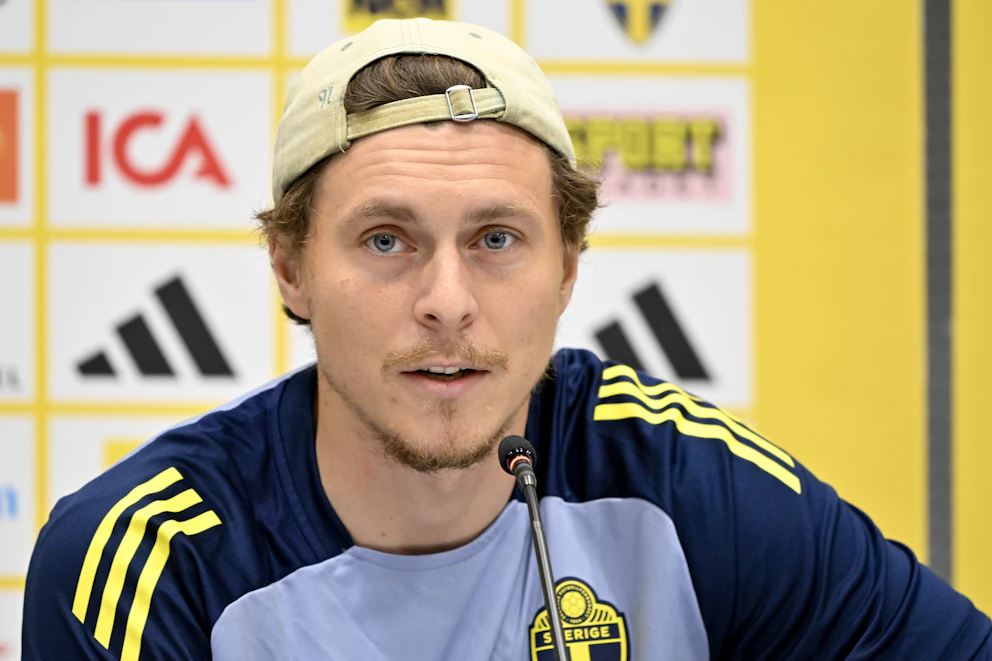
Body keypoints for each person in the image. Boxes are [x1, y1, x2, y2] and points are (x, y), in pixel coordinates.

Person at [22, 17, 990, 661]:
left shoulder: (683, 485)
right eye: (386, 239)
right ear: (289, 268)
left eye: (495, 239)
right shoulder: (150, 561)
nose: (447, 302)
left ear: (566, 269)